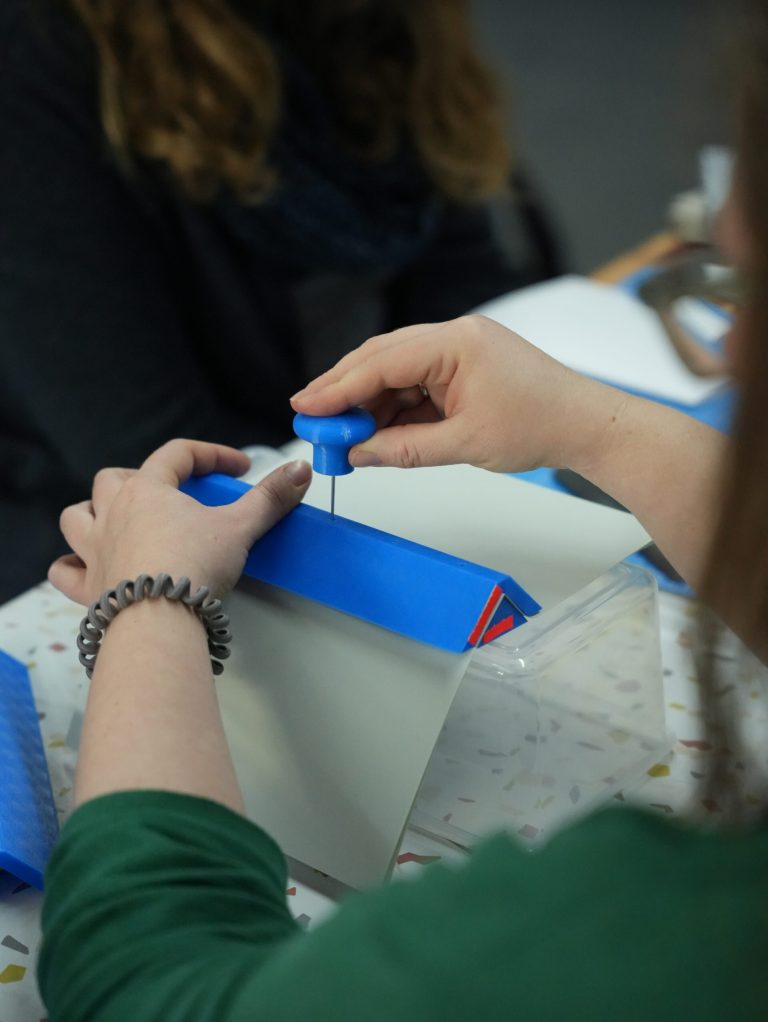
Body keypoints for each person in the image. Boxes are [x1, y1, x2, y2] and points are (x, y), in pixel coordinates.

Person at [37, 10, 768, 1022]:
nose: (729, 357)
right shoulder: (41, 64)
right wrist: (595, 426)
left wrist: (147, 601)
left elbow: (148, 983)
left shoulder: (636, 932)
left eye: (747, 296)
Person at [0, 0, 542, 603]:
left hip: (351, 481)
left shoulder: (384, 26)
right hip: (119, 527)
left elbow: (465, 286)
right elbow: (150, 446)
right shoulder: (36, 55)